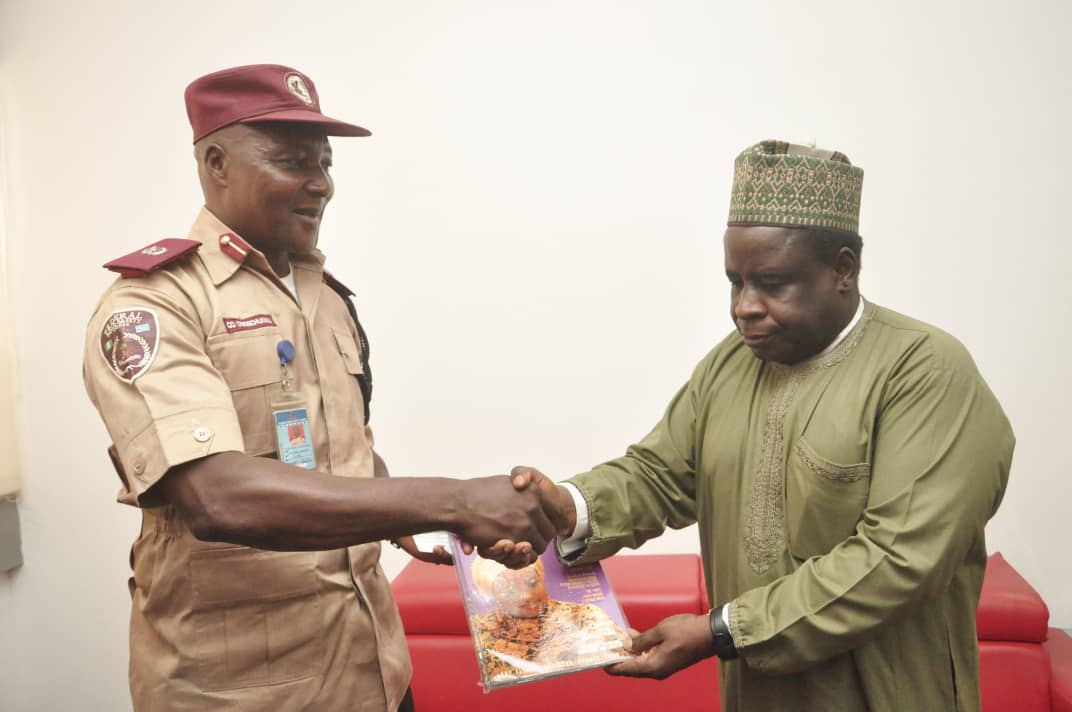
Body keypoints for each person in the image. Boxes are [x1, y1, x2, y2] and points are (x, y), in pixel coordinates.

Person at [82, 64, 565, 712]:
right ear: (217, 162)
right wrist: (452, 501)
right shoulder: (155, 304)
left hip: (376, 676)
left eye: (325, 163)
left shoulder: (327, 299)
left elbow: (339, 453)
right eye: (291, 161)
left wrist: (438, 525)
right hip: (244, 696)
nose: (320, 185)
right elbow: (216, 494)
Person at [508, 140, 1014, 711]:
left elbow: (899, 559)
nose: (744, 306)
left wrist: (722, 630)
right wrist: (566, 507)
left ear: (843, 270)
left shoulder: (924, 372)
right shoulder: (733, 362)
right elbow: (658, 475)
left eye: (771, 284)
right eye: (735, 281)